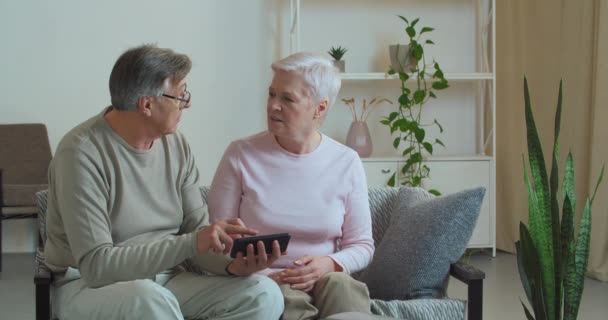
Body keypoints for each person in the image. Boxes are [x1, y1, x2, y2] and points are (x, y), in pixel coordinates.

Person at [44, 44, 284, 320]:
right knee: (150, 301)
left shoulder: (176, 145)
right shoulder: (81, 153)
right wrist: (193, 243)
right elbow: (97, 266)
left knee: (263, 294)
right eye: (180, 94)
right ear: (147, 104)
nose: (187, 103)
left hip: (169, 279)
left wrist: (236, 266)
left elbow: (196, 235)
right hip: (89, 286)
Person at [209, 52, 375, 320]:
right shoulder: (241, 154)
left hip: (325, 278)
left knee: (344, 286)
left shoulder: (347, 162)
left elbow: (362, 245)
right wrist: (267, 274)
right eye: (271, 94)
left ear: (320, 108)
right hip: (264, 280)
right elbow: (220, 244)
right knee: (284, 297)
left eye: (286, 98)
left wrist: (330, 263)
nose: (273, 105)